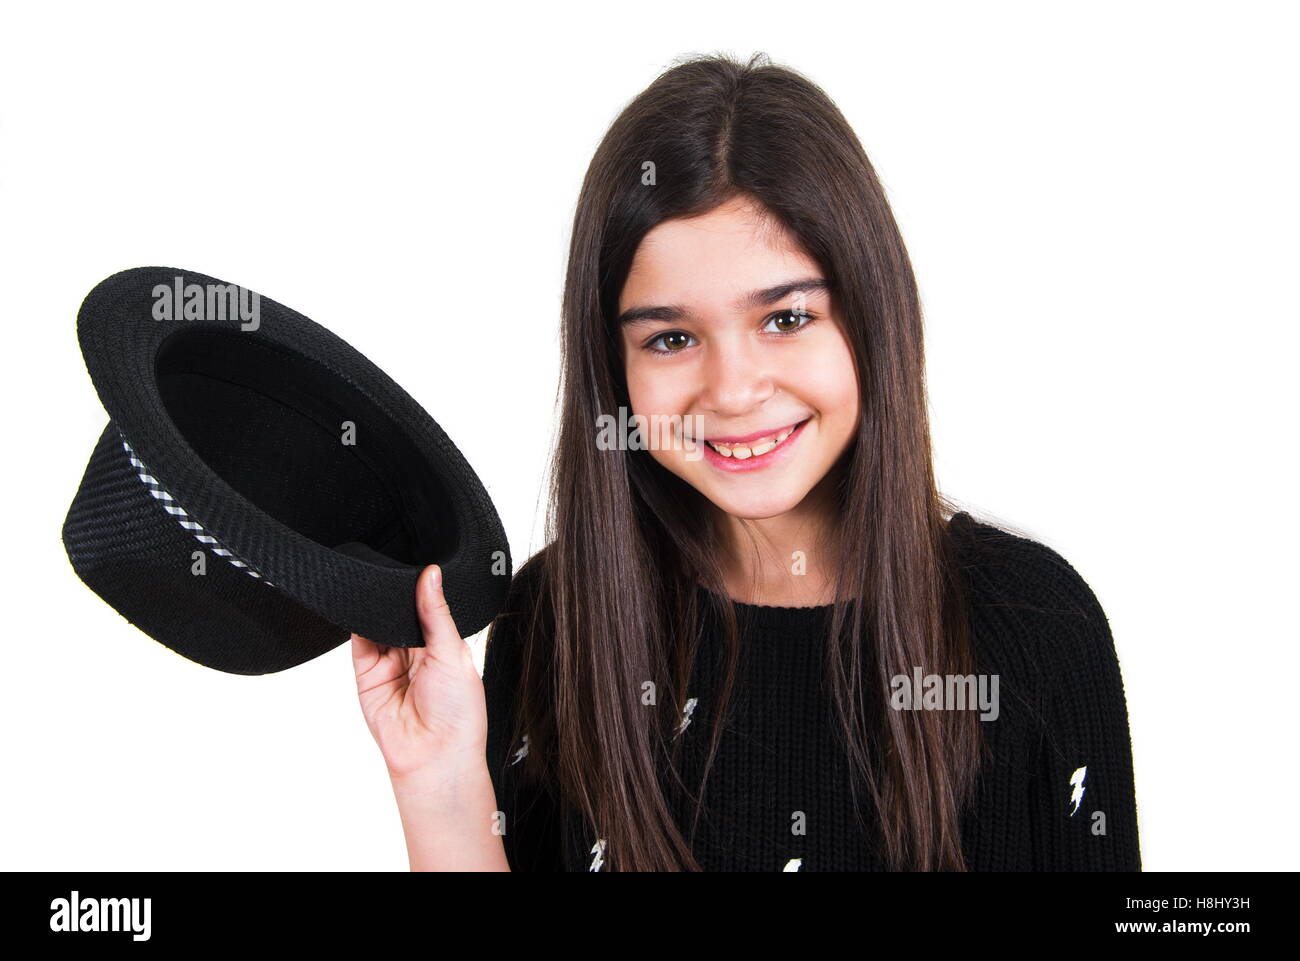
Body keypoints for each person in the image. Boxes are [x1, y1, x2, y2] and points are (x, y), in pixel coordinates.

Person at [351, 52, 1140, 872]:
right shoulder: (556, 622)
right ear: (612, 367)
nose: (731, 390)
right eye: (672, 338)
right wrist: (437, 779)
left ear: (875, 316)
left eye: (787, 318)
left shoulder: (1036, 630)